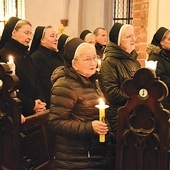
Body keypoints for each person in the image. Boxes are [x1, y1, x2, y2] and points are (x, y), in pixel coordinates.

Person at [49, 37, 114, 169]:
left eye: (94, 58)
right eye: (87, 59)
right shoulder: (65, 85)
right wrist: (89, 127)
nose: (93, 63)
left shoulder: (92, 80)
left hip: (93, 154)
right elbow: (55, 123)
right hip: (76, 159)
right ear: (74, 63)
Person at [100, 22, 141, 169]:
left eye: (133, 35)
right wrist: (137, 97)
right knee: (119, 156)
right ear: (118, 40)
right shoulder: (110, 61)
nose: (133, 39)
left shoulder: (134, 61)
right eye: (128, 36)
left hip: (134, 114)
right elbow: (111, 93)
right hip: (117, 117)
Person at [0, 18, 46, 116]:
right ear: (14, 32)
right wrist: (31, 104)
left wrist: (40, 101)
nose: (29, 37)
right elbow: (9, 87)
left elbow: (36, 80)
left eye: (30, 34)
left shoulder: (26, 54)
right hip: (19, 110)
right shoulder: (4, 54)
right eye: (26, 33)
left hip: (34, 108)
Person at [30, 25, 64, 108]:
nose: (56, 39)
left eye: (56, 36)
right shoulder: (37, 57)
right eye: (52, 36)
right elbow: (46, 84)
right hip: (53, 103)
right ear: (42, 40)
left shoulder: (58, 55)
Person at [147, 27, 170, 110]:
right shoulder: (155, 57)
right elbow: (158, 78)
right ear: (161, 42)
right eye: (169, 39)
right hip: (163, 101)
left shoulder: (167, 55)